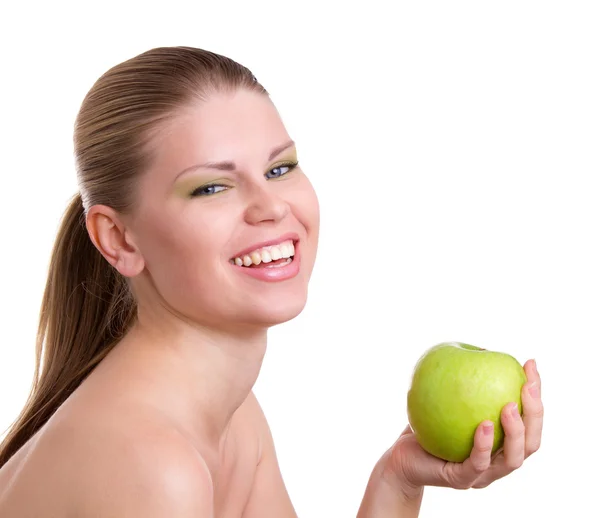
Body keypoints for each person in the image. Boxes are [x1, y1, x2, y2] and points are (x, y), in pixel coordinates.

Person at [0, 46, 543, 517]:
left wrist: (399, 479)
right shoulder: (150, 464)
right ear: (119, 239)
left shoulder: (231, 417)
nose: (270, 207)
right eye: (211, 188)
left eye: (280, 169)